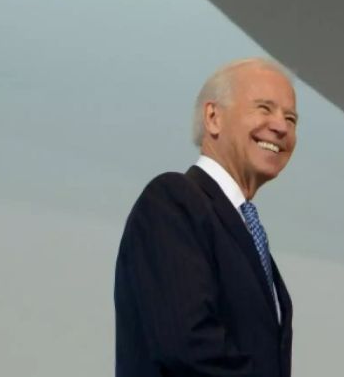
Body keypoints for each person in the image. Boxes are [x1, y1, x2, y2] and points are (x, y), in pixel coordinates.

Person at [115, 57, 299, 377]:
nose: (281, 126)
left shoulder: (243, 227)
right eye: (264, 108)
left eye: (291, 118)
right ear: (213, 117)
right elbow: (187, 345)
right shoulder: (173, 200)